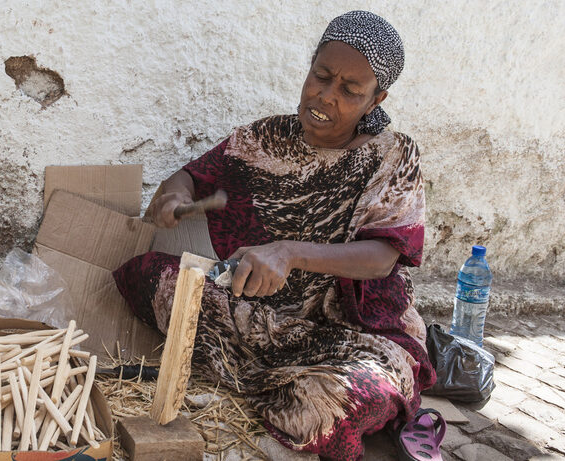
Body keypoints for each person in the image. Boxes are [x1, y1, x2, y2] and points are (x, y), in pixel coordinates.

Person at [113, 11, 436, 461]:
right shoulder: (263, 140)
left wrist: (289, 253)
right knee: (147, 276)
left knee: (325, 410)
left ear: (376, 98)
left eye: (349, 90)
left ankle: (286, 385)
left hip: (351, 333)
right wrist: (172, 197)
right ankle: (269, 379)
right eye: (320, 76)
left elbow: (383, 256)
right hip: (256, 315)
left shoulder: (393, 156)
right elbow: (188, 177)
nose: (324, 96)